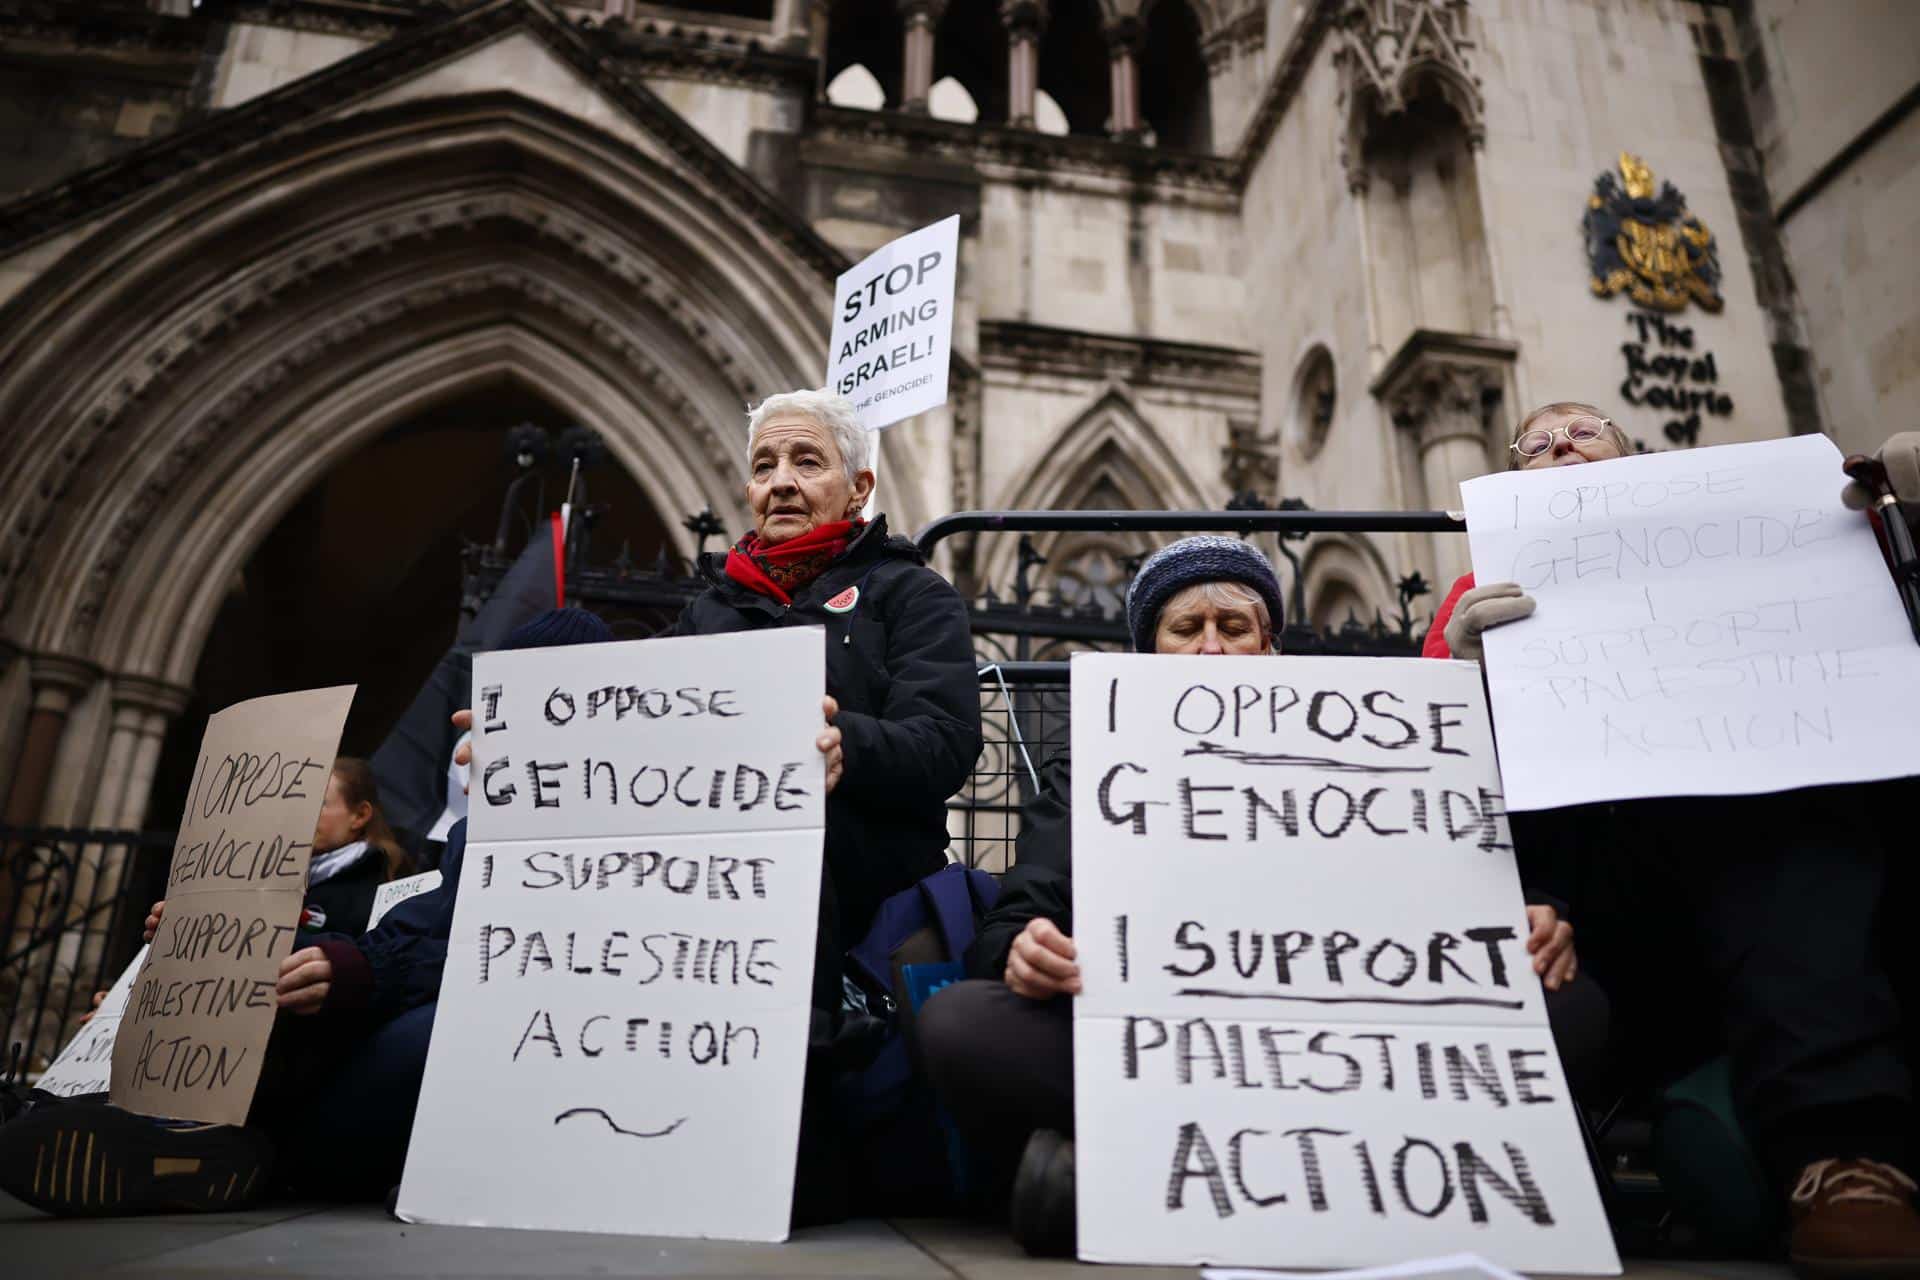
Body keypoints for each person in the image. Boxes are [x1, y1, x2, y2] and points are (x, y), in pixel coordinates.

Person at [915, 535, 1604, 1256]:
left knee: (1574, 1006)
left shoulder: (1368, 744)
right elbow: (1018, 915)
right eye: (1187, 629)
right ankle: (1346, 1182)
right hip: (1164, 1050)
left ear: (1270, 648)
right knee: (960, 1023)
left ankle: (1134, 1180)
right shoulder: (1087, 765)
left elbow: (1454, 875)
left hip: (1356, 1050)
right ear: (1148, 655)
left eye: (1235, 627)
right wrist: (1023, 951)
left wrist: (1527, 914)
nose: (1211, 648)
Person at [1427, 403, 1920, 1276]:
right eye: (1536, 443)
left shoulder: (1759, 541)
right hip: (1593, 898)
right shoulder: (1475, 594)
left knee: (1781, 816)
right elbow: (1429, 781)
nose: (1561, 444)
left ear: (1635, 459)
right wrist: (1461, 681)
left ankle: (1844, 1167)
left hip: (1768, 871)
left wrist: (1905, 520)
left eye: (1585, 431)